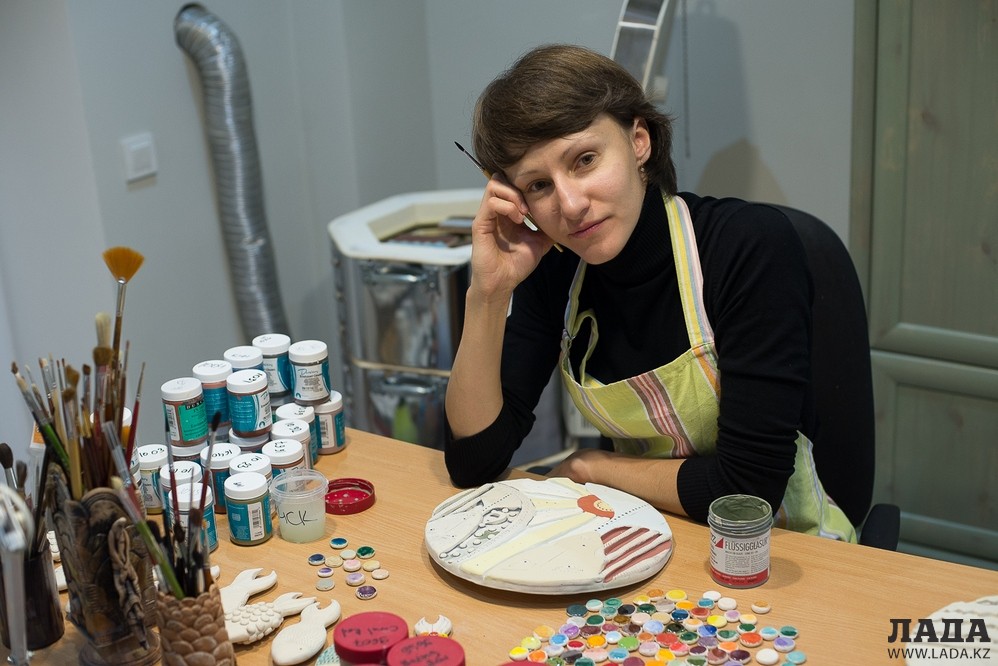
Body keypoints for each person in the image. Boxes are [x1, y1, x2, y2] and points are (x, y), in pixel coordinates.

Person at [443, 43, 855, 541]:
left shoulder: (747, 246)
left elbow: (748, 489)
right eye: (538, 186)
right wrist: (488, 293)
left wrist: (593, 468)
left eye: (585, 160)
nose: (570, 205)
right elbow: (474, 460)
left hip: (780, 547)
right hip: (640, 537)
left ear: (639, 141)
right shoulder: (557, 269)